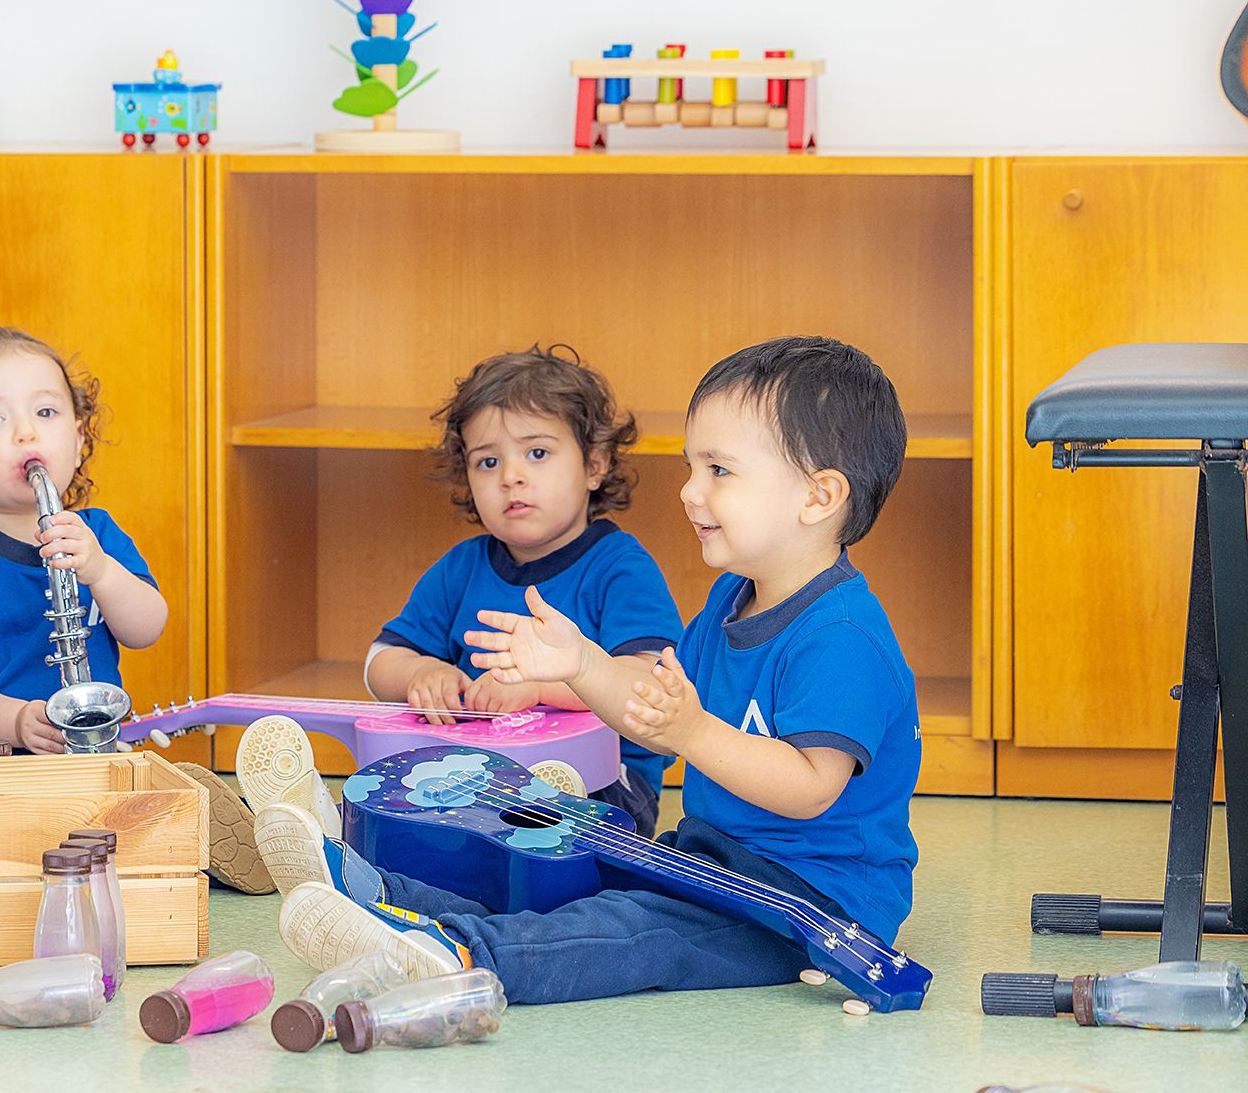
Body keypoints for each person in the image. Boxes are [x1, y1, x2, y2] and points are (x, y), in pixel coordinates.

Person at [263, 337, 923, 1004]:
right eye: (692, 467)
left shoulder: (841, 636)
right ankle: (381, 894)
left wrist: (694, 731)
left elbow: (810, 787)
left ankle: (455, 952)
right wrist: (583, 663)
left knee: (634, 930)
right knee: (571, 867)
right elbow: (650, 707)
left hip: (809, 903)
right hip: (715, 859)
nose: (690, 491)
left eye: (719, 470)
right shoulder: (734, 597)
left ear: (818, 496)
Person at [363, 345, 682, 835]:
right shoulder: (461, 568)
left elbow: (648, 684)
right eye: (488, 462)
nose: (511, 477)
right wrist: (420, 673)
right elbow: (379, 661)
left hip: (605, 785)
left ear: (594, 465)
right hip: (468, 778)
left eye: (537, 453)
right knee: (401, 804)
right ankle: (317, 826)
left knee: (540, 816)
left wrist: (537, 687)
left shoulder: (620, 568)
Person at [0, 296, 166, 756]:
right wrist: (15, 723)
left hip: (78, 756)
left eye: (45, 412)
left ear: (78, 440)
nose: (26, 433)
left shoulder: (97, 534)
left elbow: (147, 628)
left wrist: (101, 571)